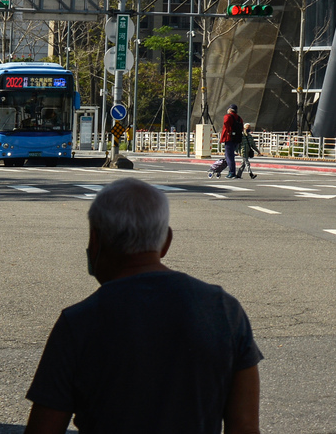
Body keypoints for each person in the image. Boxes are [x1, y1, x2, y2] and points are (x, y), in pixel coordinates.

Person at [24, 178, 261, 434]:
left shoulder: (78, 322)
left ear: (95, 241)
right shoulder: (225, 310)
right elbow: (245, 427)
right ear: (166, 241)